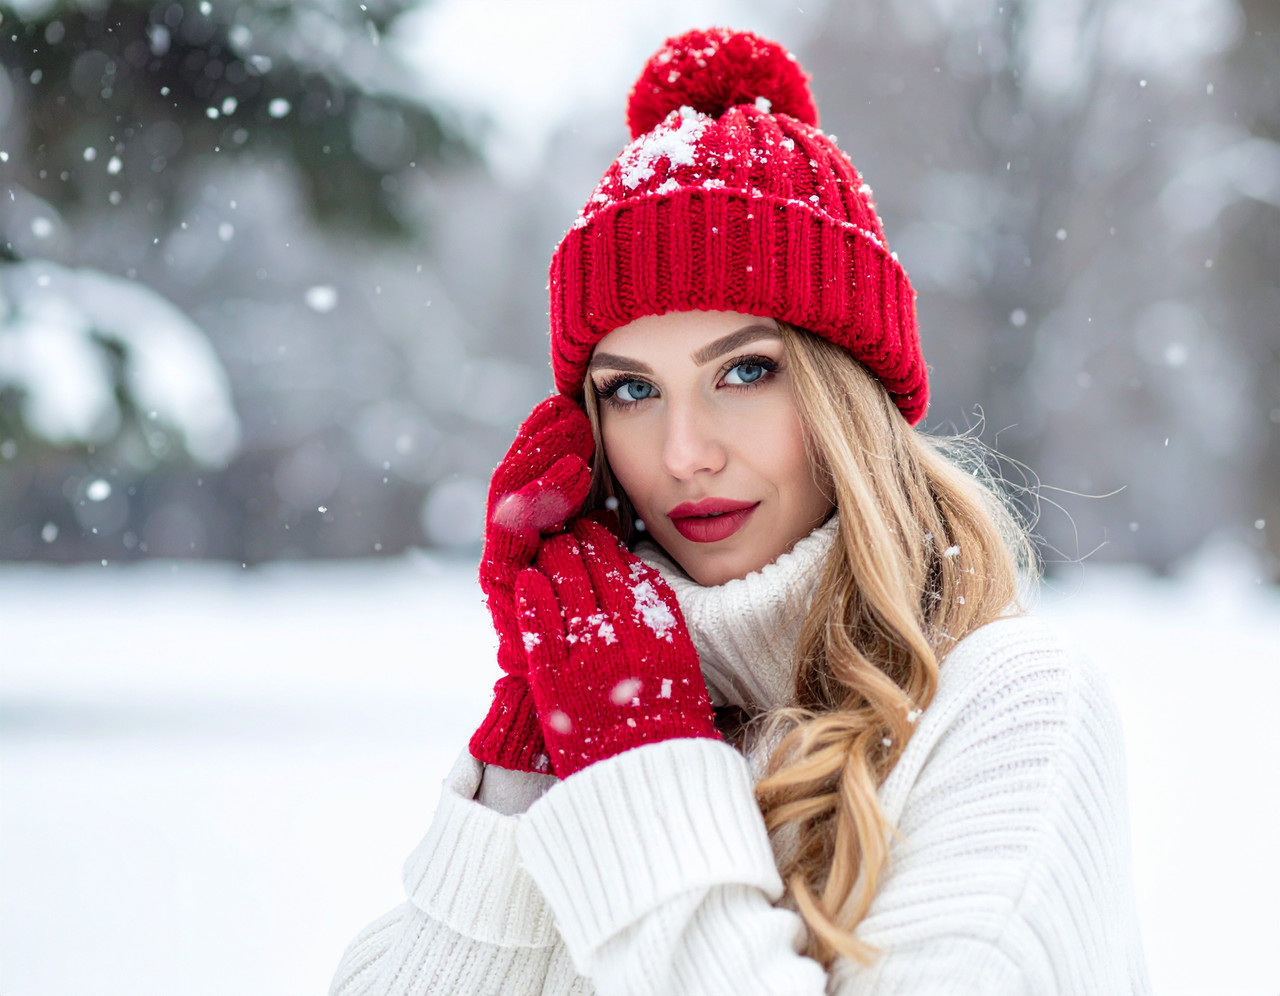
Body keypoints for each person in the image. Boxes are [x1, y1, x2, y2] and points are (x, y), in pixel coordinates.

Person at [330, 27, 1151, 996]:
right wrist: (531, 753)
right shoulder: (598, 704)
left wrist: (641, 764)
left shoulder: (1011, 708)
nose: (683, 453)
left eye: (745, 371)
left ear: (844, 395)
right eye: (630, 391)